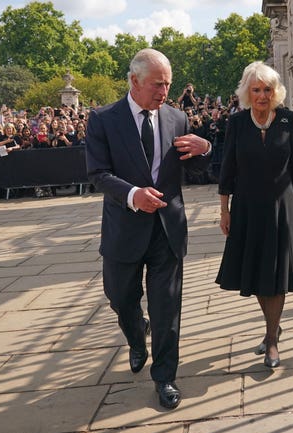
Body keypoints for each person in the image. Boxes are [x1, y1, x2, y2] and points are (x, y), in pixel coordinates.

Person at [86, 48, 211, 410]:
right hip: (124, 228)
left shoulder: (177, 117)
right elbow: (97, 174)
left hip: (167, 230)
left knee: (167, 308)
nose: (164, 92)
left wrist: (204, 149)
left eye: (168, 84)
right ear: (134, 81)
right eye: (158, 84)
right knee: (120, 297)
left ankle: (165, 378)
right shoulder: (103, 119)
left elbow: (196, 171)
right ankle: (136, 334)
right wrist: (132, 194)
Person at [216, 61, 293, 368]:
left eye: (267, 89)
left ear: (275, 91)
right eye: (256, 89)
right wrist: (224, 208)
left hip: (281, 207)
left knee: (277, 274)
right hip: (247, 207)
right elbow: (228, 167)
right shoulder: (237, 123)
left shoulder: (288, 120)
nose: (262, 96)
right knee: (255, 273)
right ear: (247, 92)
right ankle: (273, 325)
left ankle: (271, 340)